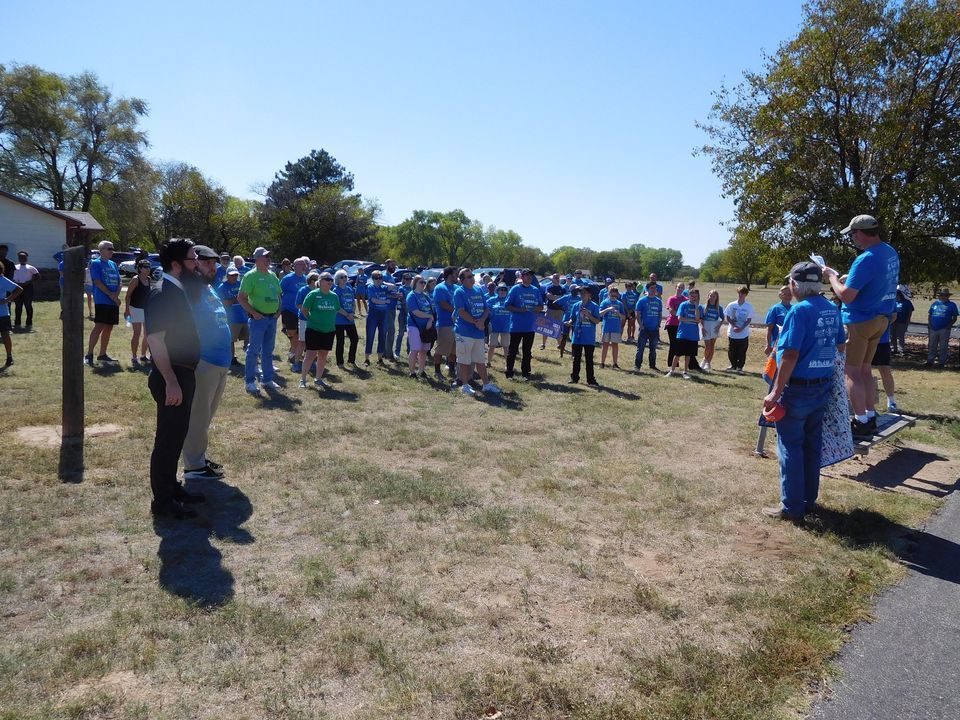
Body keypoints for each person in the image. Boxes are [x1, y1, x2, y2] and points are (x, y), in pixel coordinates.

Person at [762, 262, 846, 522]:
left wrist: (775, 392)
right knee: (812, 445)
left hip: (797, 390)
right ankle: (809, 500)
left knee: (790, 447)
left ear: (795, 285)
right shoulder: (832, 309)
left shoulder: (798, 312)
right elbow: (841, 345)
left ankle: (792, 507)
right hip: (822, 386)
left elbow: (789, 354)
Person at [823, 214, 900, 438]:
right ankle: (870, 415)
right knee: (866, 370)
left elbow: (846, 296)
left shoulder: (865, 259)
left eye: (853, 233)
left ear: (862, 232)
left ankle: (861, 422)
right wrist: (852, 277)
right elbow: (878, 280)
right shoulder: (890, 252)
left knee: (852, 372)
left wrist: (831, 278)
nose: (853, 237)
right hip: (881, 320)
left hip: (860, 320)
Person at [145, 238, 204, 520]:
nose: (197, 263)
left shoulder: (177, 289)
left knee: (176, 435)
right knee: (167, 439)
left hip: (183, 373)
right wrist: (170, 381)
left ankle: (172, 488)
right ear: (176, 263)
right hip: (173, 375)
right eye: (193, 258)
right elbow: (155, 340)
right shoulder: (163, 292)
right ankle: (163, 503)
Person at [182, 245, 233, 481]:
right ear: (194, 263)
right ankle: (193, 467)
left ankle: (198, 458)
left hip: (221, 363)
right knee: (198, 416)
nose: (213, 267)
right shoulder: (188, 290)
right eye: (206, 262)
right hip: (205, 362)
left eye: (215, 263)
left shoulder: (210, 288)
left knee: (206, 416)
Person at [238, 246, 282, 395]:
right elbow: (241, 298)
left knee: (268, 351)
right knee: (253, 351)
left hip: (271, 319)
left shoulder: (272, 275)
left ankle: (267, 379)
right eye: (265, 257)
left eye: (269, 256)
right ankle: (249, 381)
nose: (268, 259)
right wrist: (254, 313)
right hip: (258, 319)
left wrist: (279, 310)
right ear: (257, 259)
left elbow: (278, 295)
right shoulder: (250, 276)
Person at [453, 268, 500, 395]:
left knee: (480, 360)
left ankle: (486, 385)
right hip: (464, 332)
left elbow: (486, 309)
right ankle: (465, 385)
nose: (472, 278)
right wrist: (476, 322)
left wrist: (482, 321)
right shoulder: (459, 292)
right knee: (464, 360)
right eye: (468, 277)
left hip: (478, 332)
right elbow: (461, 312)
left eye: (472, 276)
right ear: (462, 280)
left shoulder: (478, 289)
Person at [299, 272, 339, 390]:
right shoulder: (313, 294)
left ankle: (318, 379)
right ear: (320, 281)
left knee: (323, 354)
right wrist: (312, 319)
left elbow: (336, 310)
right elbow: (304, 310)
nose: (330, 282)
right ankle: (303, 379)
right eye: (327, 279)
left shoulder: (334, 296)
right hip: (314, 329)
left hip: (329, 330)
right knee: (310, 354)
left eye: (331, 280)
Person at [85, 240, 123, 366]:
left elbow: (119, 281)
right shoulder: (96, 263)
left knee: (109, 327)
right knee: (99, 326)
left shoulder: (113, 264)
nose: (112, 251)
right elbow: (97, 282)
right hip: (102, 300)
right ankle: (89, 354)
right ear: (101, 250)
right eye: (109, 249)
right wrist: (111, 295)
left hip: (112, 301)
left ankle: (102, 354)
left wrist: (116, 295)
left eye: (112, 248)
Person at [505, 269, 544, 379]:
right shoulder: (515, 289)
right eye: (526, 275)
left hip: (530, 326)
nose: (529, 277)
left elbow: (541, 306)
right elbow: (507, 305)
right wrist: (518, 309)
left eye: (531, 275)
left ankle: (526, 372)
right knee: (512, 351)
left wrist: (536, 308)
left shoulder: (535, 290)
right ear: (521, 277)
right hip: (516, 326)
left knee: (527, 351)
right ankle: (509, 372)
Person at [666, 288, 702, 379]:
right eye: (692, 296)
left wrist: (696, 306)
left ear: (698, 297)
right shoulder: (683, 304)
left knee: (688, 355)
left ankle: (685, 372)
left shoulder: (699, 307)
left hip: (693, 335)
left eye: (695, 296)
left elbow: (698, 320)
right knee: (677, 354)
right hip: (682, 333)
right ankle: (672, 371)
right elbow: (680, 318)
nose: (693, 298)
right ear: (689, 296)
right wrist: (692, 320)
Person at [279, 257, 308, 371]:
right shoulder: (288, 278)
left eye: (302, 264)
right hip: (288, 309)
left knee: (298, 333)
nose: (301, 266)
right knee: (292, 332)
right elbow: (279, 291)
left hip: (301, 311)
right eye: (298, 264)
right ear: (294, 266)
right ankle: (294, 351)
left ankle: (294, 353)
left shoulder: (306, 279)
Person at [568, 287, 600, 386]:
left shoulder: (594, 306)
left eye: (584, 293)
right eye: (581, 293)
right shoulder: (576, 305)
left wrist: (588, 314)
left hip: (588, 337)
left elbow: (597, 321)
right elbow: (572, 319)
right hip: (577, 337)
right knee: (576, 359)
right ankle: (574, 378)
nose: (582, 295)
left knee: (589, 360)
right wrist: (568, 323)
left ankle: (591, 380)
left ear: (589, 294)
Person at [216, 267, 248, 365]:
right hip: (232, 318)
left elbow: (247, 297)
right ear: (227, 276)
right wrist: (236, 299)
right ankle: (231, 358)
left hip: (244, 316)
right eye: (232, 275)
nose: (234, 277)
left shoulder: (241, 284)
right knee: (231, 340)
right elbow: (221, 303)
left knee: (248, 338)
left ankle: (251, 357)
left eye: (236, 275)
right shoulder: (222, 287)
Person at [124, 260, 153, 366]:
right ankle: (134, 356)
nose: (148, 269)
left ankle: (143, 355)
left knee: (147, 334)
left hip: (146, 310)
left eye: (149, 267)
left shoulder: (149, 279)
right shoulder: (135, 279)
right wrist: (127, 310)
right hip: (135, 309)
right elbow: (128, 295)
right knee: (137, 333)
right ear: (140, 268)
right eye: (145, 267)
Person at [432, 266, 458, 377]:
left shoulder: (457, 287)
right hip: (444, 324)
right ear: (449, 275)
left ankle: (451, 369)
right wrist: (459, 312)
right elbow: (443, 304)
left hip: (456, 324)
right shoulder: (440, 288)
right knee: (440, 350)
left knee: (454, 350)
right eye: (455, 274)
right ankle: (437, 371)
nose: (457, 276)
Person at [406, 275, 434, 378]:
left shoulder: (425, 296)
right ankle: (412, 372)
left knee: (424, 350)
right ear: (415, 283)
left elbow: (431, 310)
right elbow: (416, 312)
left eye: (424, 282)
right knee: (415, 349)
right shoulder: (411, 296)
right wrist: (429, 316)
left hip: (426, 327)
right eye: (421, 282)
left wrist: (430, 320)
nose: (423, 284)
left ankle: (421, 371)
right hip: (414, 325)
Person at [331, 269, 359, 367]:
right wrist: (347, 315)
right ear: (337, 280)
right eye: (341, 277)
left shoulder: (349, 289)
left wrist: (353, 312)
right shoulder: (335, 291)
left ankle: (351, 360)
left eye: (345, 277)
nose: (344, 279)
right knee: (340, 341)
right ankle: (340, 362)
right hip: (339, 320)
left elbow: (353, 302)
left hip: (350, 320)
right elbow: (337, 307)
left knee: (355, 339)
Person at [724, 286, 754, 373]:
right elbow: (728, 317)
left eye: (743, 293)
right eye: (739, 293)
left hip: (743, 333)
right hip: (732, 333)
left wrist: (742, 328)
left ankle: (740, 367)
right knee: (731, 350)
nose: (740, 295)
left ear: (746, 294)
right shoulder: (731, 305)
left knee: (742, 351)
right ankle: (733, 365)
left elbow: (749, 319)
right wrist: (734, 326)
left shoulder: (749, 306)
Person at [634, 281, 663, 370]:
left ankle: (652, 365)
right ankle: (637, 366)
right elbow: (637, 314)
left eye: (655, 288)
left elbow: (660, 314)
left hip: (654, 329)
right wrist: (641, 325)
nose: (654, 290)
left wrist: (658, 324)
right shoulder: (642, 301)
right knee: (641, 348)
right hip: (644, 329)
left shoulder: (658, 301)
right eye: (652, 288)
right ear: (647, 289)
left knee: (653, 349)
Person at [364, 269, 391, 365]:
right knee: (370, 335)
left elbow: (393, 287)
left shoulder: (384, 287)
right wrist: (385, 302)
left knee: (382, 336)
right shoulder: (370, 287)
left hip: (383, 315)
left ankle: (380, 358)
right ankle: (367, 358)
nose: (378, 279)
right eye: (376, 278)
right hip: (373, 314)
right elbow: (374, 300)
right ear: (372, 279)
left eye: (380, 278)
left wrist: (384, 282)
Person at [926, 288, 958, 368]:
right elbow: (930, 314)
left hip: (944, 329)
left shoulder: (952, 305)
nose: (943, 297)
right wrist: (929, 324)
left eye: (945, 295)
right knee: (932, 345)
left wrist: (949, 325)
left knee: (943, 346)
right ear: (940, 296)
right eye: (942, 295)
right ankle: (930, 361)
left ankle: (941, 362)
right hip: (933, 328)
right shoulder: (935, 304)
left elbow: (954, 317)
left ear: (948, 296)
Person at [0, 263, 23, 367]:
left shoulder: (2, 280)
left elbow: (19, 289)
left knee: (5, 335)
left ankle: (9, 357)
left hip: (2, 313)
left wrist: (7, 300)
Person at [871, 326, 898, 412]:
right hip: (865, 340)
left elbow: (893, 316)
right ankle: (869, 406)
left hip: (882, 341)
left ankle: (891, 402)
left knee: (885, 370)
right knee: (865, 371)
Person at [486, 283, 512, 366]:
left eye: (505, 289)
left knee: (506, 346)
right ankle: (488, 362)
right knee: (492, 346)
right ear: (497, 291)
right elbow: (485, 308)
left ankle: (508, 365)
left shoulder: (509, 301)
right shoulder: (492, 300)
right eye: (501, 289)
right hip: (494, 327)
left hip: (506, 327)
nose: (503, 291)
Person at [599, 286, 625, 369]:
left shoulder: (619, 304)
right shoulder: (604, 302)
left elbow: (623, 317)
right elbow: (599, 314)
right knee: (605, 345)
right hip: (607, 327)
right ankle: (602, 363)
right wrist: (608, 309)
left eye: (615, 296)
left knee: (615, 345)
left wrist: (618, 313)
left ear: (617, 295)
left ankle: (615, 363)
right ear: (609, 294)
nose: (613, 297)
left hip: (616, 327)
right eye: (612, 295)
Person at [12, 251, 39, 330]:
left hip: (28, 288)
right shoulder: (14, 267)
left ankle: (29, 323)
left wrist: (29, 282)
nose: (22, 258)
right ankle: (17, 323)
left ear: (27, 258)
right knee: (18, 305)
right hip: (17, 287)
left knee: (28, 305)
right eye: (20, 257)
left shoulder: (31, 267)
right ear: (18, 258)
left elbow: (38, 277)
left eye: (24, 257)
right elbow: (11, 276)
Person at [764, 285, 793, 356]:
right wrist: (768, 345)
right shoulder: (775, 309)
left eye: (790, 294)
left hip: (790, 343)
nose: (788, 296)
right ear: (780, 295)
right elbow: (769, 329)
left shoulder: (794, 308)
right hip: (777, 343)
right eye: (785, 294)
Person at [541, 273, 567, 350]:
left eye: (558, 278)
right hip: (550, 310)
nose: (557, 279)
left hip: (559, 311)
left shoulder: (562, 288)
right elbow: (549, 296)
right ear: (552, 279)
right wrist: (559, 297)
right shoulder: (549, 287)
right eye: (555, 278)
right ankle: (543, 344)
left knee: (558, 328)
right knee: (546, 327)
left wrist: (555, 297)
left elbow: (564, 299)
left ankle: (560, 345)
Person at [664, 282, 685, 369]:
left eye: (682, 287)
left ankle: (675, 363)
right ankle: (671, 363)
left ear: (684, 289)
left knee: (679, 344)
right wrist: (681, 316)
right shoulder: (671, 298)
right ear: (676, 288)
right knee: (673, 344)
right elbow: (671, 311)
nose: (680, 289)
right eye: (678, 287)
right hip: (672, 324)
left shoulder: (685, 299)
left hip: (682, 325)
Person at [891, 286, 913, 356]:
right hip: (893, 321)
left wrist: (908, 321)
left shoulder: (906, 302)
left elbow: (910, 312)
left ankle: (901, 349)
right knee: (892, 335)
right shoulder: (893, 301)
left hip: (902, 322)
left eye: (897, 294)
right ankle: (893, 348)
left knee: (900, 336)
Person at [393, 273, 411, 359]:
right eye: (407, 279)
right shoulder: (401, 288)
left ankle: (409, 351)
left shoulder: (412, 288)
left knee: (410, 334)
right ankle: (397, 352)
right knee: (400, 333)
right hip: (403, 313)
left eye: (410, 279)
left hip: (411, 313)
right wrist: (407, 312)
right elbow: (403, 300)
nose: (409, 280)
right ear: (403, 280)